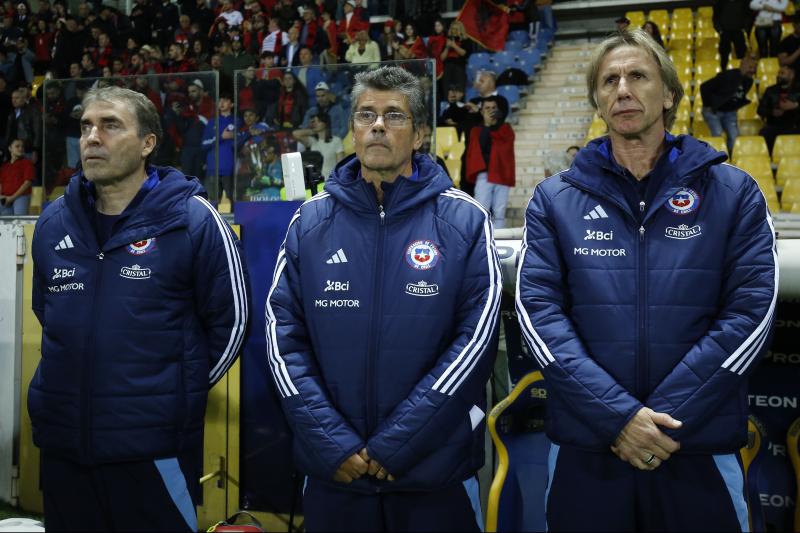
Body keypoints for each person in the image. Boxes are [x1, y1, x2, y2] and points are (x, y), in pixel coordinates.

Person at [516, 29, 778, 532]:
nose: (622, 90)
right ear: (597, 99)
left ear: (670, 95)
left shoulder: (733, 192)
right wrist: (616, 418)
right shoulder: (554, 199)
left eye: (638, 76)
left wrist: (657, 421)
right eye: (609, 80)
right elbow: (539, 315)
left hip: (693, 442)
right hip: (589, 446)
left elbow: (752, 311)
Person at [265, 65, 501, 532]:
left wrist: (399, 443)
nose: (376, 125)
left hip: (432, 476)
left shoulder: (465, 221)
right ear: (352, 130)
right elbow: (281, 340)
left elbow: (475, 343)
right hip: (336, 475)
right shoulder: (309, 223)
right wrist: (333, 444)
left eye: (393, 115)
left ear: (419, 135)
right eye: (365, 114)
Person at [28, 86, 250, 531]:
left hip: (152, 450)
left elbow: (232, 324)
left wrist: (173, 391)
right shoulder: (54, 222)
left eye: (110, 125)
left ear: (148, 143)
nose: (92, 137)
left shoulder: (194, 220)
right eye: (87, 125)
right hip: (63, 446)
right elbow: (47, 312)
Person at [465, 95, 515, 228]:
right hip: (484, 175)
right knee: (481, 210)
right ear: (481, 111)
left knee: (500, 212)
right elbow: (478, 149)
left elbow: (506, 151)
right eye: (487, 108)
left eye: (493, 108)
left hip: (501, 173)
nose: (490, 111)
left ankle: (499, 243)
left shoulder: (506, 129)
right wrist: (487, 126)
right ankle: (481, 242)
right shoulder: (476, 130)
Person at [700, 52, 757, 152]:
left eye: (754, 68)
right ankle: (718, 161)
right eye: (750, 67)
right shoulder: (727, 75)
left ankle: (732, 159)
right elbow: (704, 87)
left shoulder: (749, 81)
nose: (752, 70)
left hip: (730, 112)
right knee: (718, 135)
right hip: (714, 111)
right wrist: (708, 105)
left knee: (734, 136)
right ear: (742, 65)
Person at [758, 64, 800, 151]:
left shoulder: (798, 91)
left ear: (791, 75)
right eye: (778, 73)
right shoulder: (770, 90)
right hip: (774, 126)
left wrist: (795, 106)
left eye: (782, 73)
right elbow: (760, 110)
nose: (779, 75)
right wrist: (771, 112)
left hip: (794, 126)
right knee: (765, 132)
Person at [292, 111, 344, 179]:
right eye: (314, 121)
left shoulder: (336, 141)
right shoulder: (313, 141)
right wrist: (313, 131)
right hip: (316, 181)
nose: (315, 123)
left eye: (318, 121)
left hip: (330, 181)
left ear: (325, 123)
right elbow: (295, 134)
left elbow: (340, 166)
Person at [714, 0, 751, 70]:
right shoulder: (720, 2)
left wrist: (745, 28)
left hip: (738, 31)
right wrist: (720, 30)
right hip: (725, 32)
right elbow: (715, 18)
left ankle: (742, 72)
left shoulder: (743, 2)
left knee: (741, 53)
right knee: (724, 55)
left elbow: (748, 15)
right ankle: (723, 72)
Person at [0, 138, 34, 215]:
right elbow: (1, 184)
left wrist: (12, 198)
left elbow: (27, 183)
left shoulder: (27, 163)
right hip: (5, 198)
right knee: (5, 223)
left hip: (21, 197)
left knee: (19, 220)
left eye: (22, 147)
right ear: (10, 148)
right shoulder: (4, 166)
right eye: (17, 146)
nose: (20, 148)